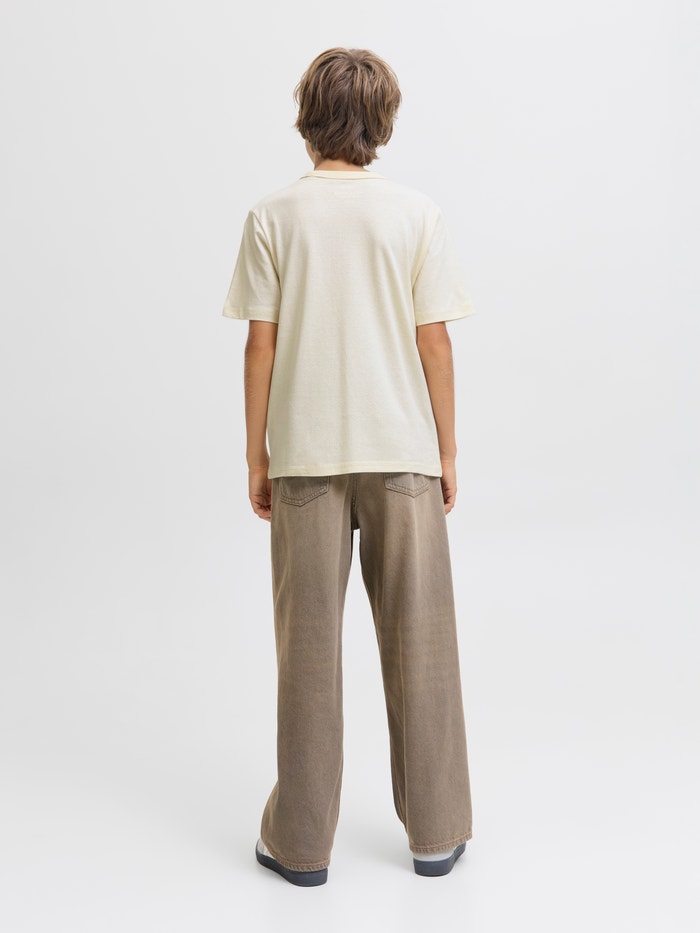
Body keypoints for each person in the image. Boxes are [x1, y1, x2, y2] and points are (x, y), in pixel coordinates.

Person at [221, 47, 476, 886]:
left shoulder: (273, 215)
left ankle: (300, 846)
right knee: (422, 645)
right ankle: (436, 834)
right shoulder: (415, 214)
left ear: (307, 117)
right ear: (382, 120)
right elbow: (434, 344)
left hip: (306, 458)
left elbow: (260, 347)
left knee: (307, 655)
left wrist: (257, 452)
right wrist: (445, 449)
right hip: (403, 453)